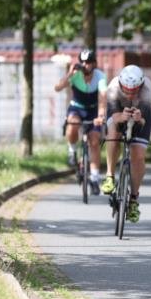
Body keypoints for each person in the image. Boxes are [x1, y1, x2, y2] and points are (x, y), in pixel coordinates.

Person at [100, 65, 151, 223]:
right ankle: (110, 175)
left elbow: (143, 121)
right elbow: (114, 117)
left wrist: (138, 118)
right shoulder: (113, 88)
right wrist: (122, 116)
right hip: (118, 112)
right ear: (121, 84)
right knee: (113, 134)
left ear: (141, 85)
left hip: (139, 116)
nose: (130, 93)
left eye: (134, 90)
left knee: (137, 156)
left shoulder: (147, 92)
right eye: (127, 90)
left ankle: (134, 199)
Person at [53, 49, 106, 195]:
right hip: (76, 108)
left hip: (93, 110)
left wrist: (101, 115)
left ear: (94, 63)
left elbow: (102, 99)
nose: (85, 65)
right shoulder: (75, 76)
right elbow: (57, 88)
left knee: (94, 141)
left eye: (88, 62)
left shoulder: (100, 77)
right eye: (82, 62)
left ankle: (94, 179)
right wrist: (70, 74)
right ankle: (72, 150)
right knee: (73, 124)